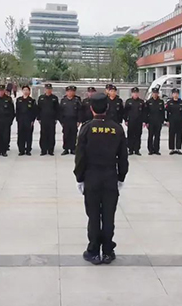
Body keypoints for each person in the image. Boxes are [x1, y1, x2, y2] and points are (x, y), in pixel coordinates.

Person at [74, 93, 129, 265]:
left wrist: (79, 178)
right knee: (108, 215)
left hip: (92, 177)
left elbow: (80, 157)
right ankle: (107, 251)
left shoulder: (86, 128)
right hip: (110, 176)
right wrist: (121, 177)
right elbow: (123, 157)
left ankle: (93, 251)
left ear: (91, 108)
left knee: (93, 215)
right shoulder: (117, 129)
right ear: (107, 107)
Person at [0, 85, 15, 157]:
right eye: (0, 90)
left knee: (5, 136)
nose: (1, 92)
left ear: (4, 91)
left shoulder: (8, 99)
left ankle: (4, 151)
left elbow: (12, 111)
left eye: (2, 90)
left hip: (5, 121)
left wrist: (10, 121)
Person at [37, 84, 59, 156]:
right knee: (43, 134)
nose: (48, 90)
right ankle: (43, 150)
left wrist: (56, 118)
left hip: (52, 119)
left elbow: (57, 109)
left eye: (49, 89)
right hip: (43, 119)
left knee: (51, 134)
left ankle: (50, 150)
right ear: (45, 89)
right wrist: (38, 118)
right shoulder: (41, 98)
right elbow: (38, 109)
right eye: (47, 89)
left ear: (51, 90)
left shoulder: (54, 98)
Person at [59, 86, 81, 155]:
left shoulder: (77, 100)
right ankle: (66, 149)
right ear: (66, 92)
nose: (70, 93)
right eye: (69, 91)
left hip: (74, 120)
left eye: (72, 91)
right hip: (66, 120)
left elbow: (80, 111)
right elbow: (60, 111)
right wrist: (61, 121)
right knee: (66, 134)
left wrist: (79, 121)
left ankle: (73, 149)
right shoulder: (63, 100)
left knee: (73, 134)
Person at [16, 85, 37, 156]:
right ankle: (21, 150)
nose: (25, 91)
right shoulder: (19, 100)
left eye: (27, 90)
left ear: (29, 91)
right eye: (24, 90)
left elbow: (34, 112)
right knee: (20, 135)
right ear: (22, 91)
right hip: (21, 120)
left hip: (29, 121)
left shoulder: (32, 101)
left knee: (28, 136)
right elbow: (17, 110)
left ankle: (28, 150)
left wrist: (32, 120)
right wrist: (17, 119)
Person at [124, 87, 146, 155]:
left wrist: (144, 121)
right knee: (130, 135)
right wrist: (125, 120)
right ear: (132, 93)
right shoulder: (128, 101)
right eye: (134, 93)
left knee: (138, 135)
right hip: (131, 121)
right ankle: (130, 149)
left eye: (136, 93)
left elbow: (144, 112)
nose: (135, 94)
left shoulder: (141, 102)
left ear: (138, 93)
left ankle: (137, 150)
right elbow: (125, 112)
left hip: (139, 121)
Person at [165, 88, 182, 155]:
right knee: (171, 134)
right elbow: (167, 112)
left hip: (180, 121)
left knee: (179, 134)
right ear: (172, 94)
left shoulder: (181, 102)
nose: (175, 95)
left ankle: (178, 148)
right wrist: (167, 120)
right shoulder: (169, 102)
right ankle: (172, 148)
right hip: (172, 121)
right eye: (174, 93)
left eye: (177, 93)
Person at [145, 87, 165, 155]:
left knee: (157, 136)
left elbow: (163, 112)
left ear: (158, 93)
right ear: (152, 93)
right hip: (151, 122)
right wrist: (146, 122)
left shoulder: (161, 102)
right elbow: (146, 112)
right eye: (154, 93)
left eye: (156, 93)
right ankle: (150, 149)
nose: (155, 94)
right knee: (150, 136)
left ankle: (156, 149)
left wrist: (162, 121)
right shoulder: (148, 102)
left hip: (158, 121)